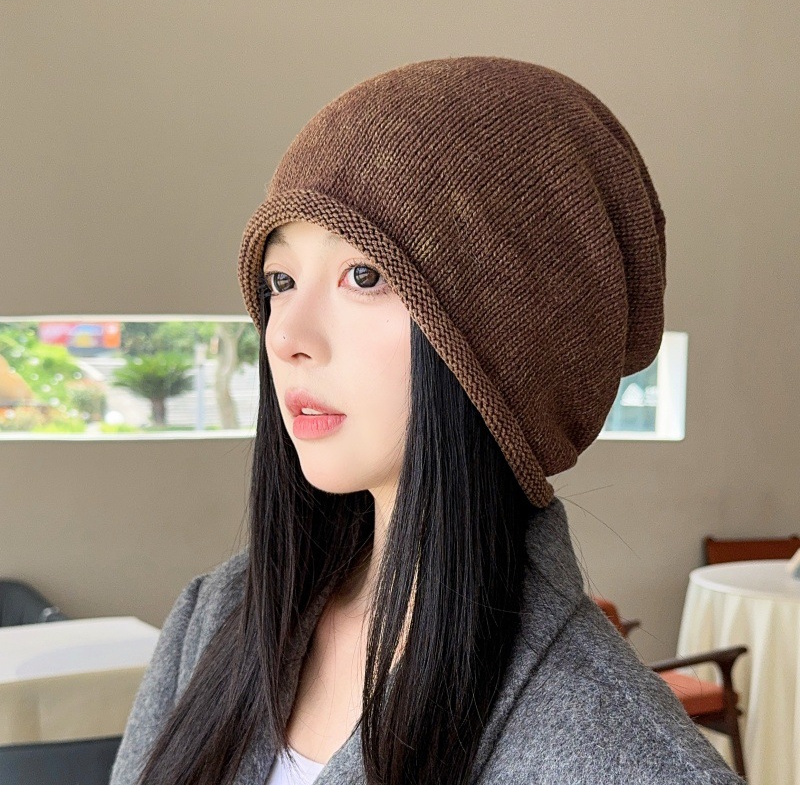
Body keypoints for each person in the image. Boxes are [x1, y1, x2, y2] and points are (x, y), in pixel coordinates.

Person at [110, 56, 746, 785]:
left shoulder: (619, 753)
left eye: (364, 275)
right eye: (280, 280)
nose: (284, 335)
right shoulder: (214, 619)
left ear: (514, 338)